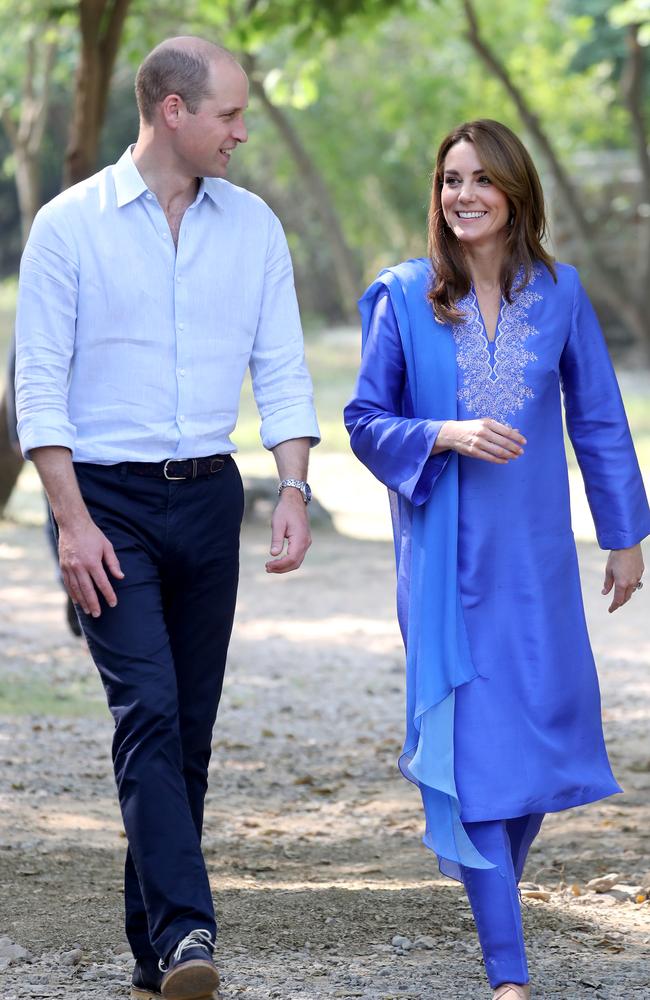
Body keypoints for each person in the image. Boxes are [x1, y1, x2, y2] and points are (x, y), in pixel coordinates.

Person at [15, 36, 319, 1000]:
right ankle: (192, 935)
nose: (242, 131)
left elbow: (281, 366)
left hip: (210, 499)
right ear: (172, 111)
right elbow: (38, 390)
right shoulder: (69, 227)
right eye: (229, 114)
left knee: (185, 728)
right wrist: (70, 522)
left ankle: (154, 956)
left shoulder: (254, 226)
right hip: (106, 502)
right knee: (145, 709)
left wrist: (297, 487)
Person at [344, 119, 649, 999]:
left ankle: (492, 892)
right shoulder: (404, 296)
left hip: (539, 564)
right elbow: (365, 420)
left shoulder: (560, 293)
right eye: (450, 180)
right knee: (475, 752)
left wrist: (624, 535)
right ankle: (507, 972)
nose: (463, 195)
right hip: (445, 564)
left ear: (515, 192)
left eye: (481, 178)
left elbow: (597, 418)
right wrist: (442, 431)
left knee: (542, 745)